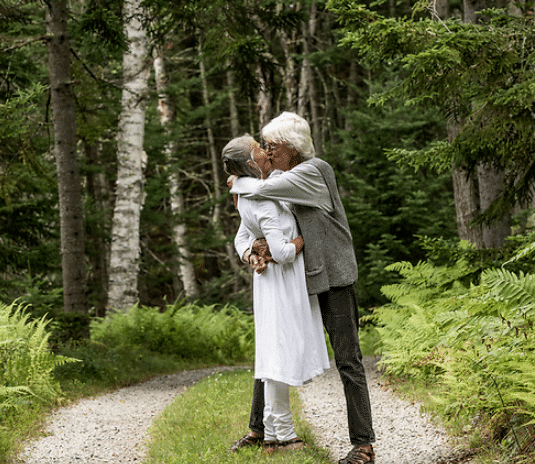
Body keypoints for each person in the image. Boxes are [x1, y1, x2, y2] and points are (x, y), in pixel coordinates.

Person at [228, 112, 376, 464]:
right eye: (264, 147)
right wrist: (255, 251)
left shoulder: (313, 172)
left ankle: (364, 445)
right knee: (272, 345)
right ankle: (259, 430)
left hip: (335, 278)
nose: (267, 151)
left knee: (349, 360)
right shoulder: (281, 177)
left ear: (291, 149)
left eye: (272, 146)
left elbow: (260, 190)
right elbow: (261, 221)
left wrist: (235, 180)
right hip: (302, 280)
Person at [221, 134, 331, 452]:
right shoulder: (260, 198)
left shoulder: (259, 189)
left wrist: (249, 252)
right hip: (281, 281)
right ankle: (282, 434)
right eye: (259, 149)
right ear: (252, 163)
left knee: (277, 355)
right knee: (278, 355)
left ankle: (271, 434)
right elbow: (282, 252)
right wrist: (304, 240)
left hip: (273, 282)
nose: (267, 152)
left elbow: (242, 235)